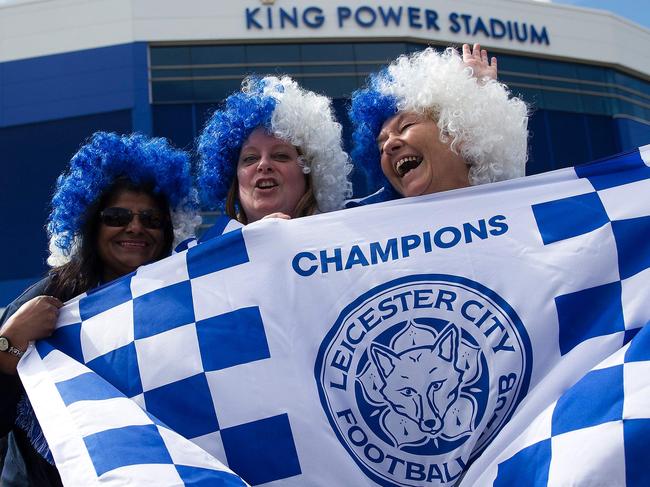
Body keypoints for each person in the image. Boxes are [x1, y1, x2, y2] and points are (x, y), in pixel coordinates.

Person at [0, 132, 198, 486]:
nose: (135, 226)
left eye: (151, 219)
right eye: (117, 216)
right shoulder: (49, 297)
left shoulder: (182, 302)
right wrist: (10, 340)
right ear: (91, 224)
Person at [348, 44, 528, 204]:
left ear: (461, 132)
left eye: (405, 127)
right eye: (380, 148)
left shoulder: (523, 215)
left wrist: (480, 93)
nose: (388, 145)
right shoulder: (372, 231)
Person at [195, 75, 352, 234]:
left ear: (310, 173)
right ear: (234, 178)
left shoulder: (347, 244)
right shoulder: (205, 255)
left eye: (280, 156)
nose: (263, 164)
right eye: (250, 159)